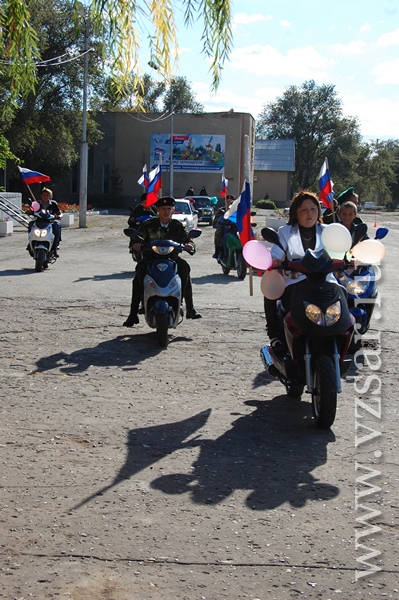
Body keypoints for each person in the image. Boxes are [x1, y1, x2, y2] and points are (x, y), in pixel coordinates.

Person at [123, 196, 202, 326]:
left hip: (172, 259)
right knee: (139, 271)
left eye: (169, 209)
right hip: (151, 259)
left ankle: (189, 308)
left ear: (173, 210)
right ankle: (133, 314)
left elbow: (187, 239)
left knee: (185, 268)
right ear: (158, 210)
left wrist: (190, 246)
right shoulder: (148, 224)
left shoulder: (177, 226)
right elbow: (138, 237)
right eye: (163, 209)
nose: (166, 211)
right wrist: (136, 244)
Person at [264, 190, 326, 351]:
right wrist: (276, 260)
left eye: (313, 209)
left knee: (343, 294)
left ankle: (346, 333)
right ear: (296, 213)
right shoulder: (285, 232)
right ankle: (275, 335)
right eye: (304, 210)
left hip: (325, 280)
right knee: (270, 290)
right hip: (295, 280)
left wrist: (351, 259)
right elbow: (277, 251)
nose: (309, 214)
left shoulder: (328, 231)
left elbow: (341, 252)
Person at [27, 187, 62, 256]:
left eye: (47, 195)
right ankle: (31, 243)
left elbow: (59, 213)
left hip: (50, 222)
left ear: (50, 196)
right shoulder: (37, 203)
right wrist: (30, 211)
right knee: (31, 223)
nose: (45, 197)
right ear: (41, 196)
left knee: (57, 226)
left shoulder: (53, 204)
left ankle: (55, 247)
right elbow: (31, 211)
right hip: (39, 221)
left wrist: (59, 216)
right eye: (44, 195)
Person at [212, 194, 235, 258]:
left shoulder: (236, 210)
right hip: (224, 228)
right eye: (228, 202)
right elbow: (215, 223)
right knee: (218, 232)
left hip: (235, 228)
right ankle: (217, 251)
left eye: (231, 203)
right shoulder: (221, 210)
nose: (229, 204)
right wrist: (221, 224)